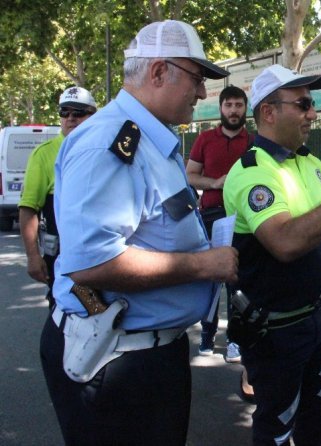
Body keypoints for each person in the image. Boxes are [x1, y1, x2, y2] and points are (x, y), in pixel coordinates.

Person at [40, 20, 238, 446]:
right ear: (159, 72)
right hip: (115, 362)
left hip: (146, 354)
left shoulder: (150, 140)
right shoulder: (110, 142)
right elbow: (92, 262)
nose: (203, 92)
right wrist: (204, 265)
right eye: (197, 78)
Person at [224, 64, 321, 446]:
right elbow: (285, 242)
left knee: (317, 420)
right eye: (304, 104)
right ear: (269, 112)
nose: (313, 114)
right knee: (276, 427)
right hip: (276, 332)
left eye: (312, 104)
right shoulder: (252, 170)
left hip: (317, 319)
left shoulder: (309, 162)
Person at [186, 85, 252, 360]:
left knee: (237, 281)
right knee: (211, 279)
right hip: (212, 215)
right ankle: (207, 335)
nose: (234, 110)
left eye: (239, 105)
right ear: (221, 108)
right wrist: (214, 183)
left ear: (245, 109)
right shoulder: (204, 139)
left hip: (244, 219)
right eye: (229, 105)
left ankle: (235, 339)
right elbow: (190, 175)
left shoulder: (253, 142)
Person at [19, 86, 97, 308]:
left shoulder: (105, 148)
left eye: (78, 113)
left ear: (93, 115)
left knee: (100, 318)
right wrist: (33, 256)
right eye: (65, 112)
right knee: (65, 312)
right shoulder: (44, 153)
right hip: (62, 257)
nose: (70, 118)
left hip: (101, 254)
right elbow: (28, 209)